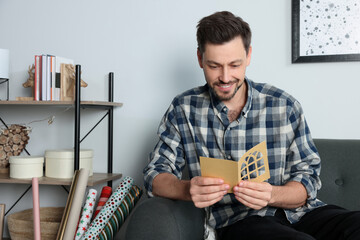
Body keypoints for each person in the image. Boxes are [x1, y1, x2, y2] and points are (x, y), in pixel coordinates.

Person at [143, 11, 360, 240]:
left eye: (235, 65)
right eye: (214, 66)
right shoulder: (183, 109)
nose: (226, 77)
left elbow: (308, 181)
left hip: (303, 214)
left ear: (248, 56)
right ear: (200, 59)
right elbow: (155, 174)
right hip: (241, 220)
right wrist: (186, 189)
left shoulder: (284, 105)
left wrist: (271, 194)